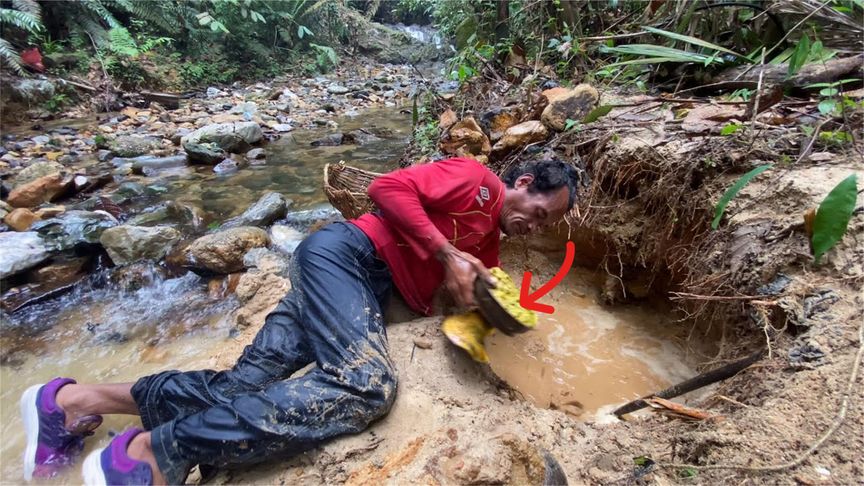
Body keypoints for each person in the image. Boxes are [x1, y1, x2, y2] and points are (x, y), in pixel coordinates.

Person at [20, 156, 580, 485]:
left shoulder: (487, 246)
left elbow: (455, 310)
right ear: (525, 183)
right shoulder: (477, 180)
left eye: (546, 226)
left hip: (346, 285)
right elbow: (386, 188)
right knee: (365, 386)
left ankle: (72, 403)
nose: (536, 226)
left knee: (243, 386)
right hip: (345, 256)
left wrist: (481, 314)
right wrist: (446, 254)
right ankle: (149, 454)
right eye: (540, 213)